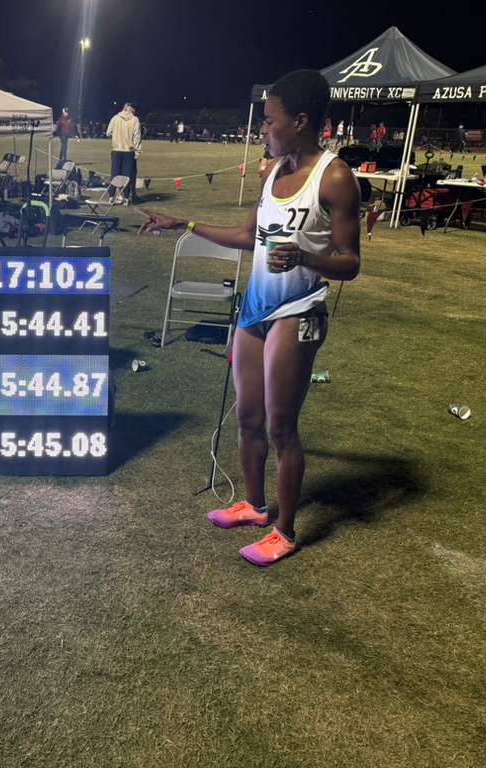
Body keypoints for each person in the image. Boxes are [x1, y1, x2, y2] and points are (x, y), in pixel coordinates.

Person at [139, 69, 361, 566]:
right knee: (247, 417)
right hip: (256, 309)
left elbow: (350, 263)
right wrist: (184, 223)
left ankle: (285, 531)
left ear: (300, 121)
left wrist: (305, 257)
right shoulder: (273, 171)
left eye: (270, 120)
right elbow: (248, 237)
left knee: (281, 426)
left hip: (297, 310)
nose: (262, 129)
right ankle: (255, 507)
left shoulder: (335, 177)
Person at [106, 102, 141, 203]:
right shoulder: (135, 119)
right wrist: (137, 151)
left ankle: (111, 196)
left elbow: (108, 133)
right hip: (128, 151)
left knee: (114, 174)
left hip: (116, 150)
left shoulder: (115, 118)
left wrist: (116, 136)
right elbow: (137, 137)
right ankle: (126, 197)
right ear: (132, 109)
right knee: (127, 175)